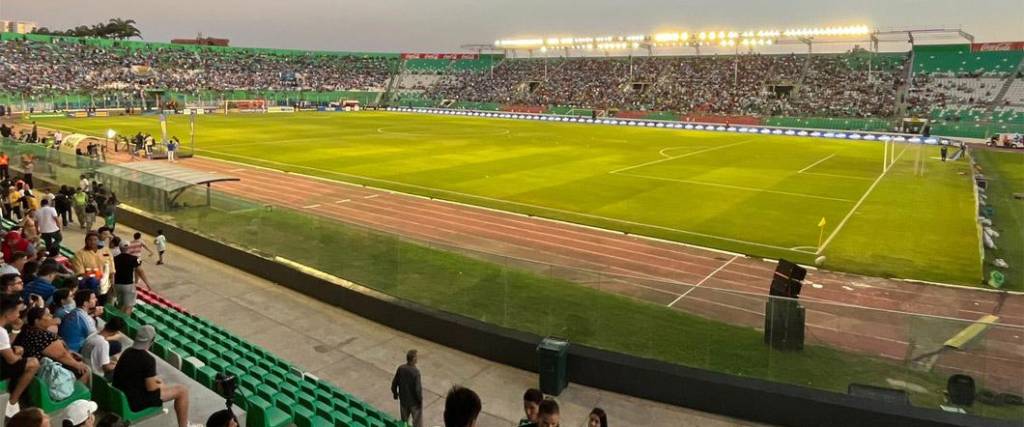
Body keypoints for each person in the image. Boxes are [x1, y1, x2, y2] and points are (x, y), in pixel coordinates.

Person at [113, 325, 199, 427]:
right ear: (152, 340)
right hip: (136, 401)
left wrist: (155, 381)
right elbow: (151, 388)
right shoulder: (148, 360)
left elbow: (135, 375)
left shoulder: (127, 352)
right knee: (182, 391)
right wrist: (160, 385)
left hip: (124, 393)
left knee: (159, 382)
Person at [12, 306, 90, 383]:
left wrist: (69, 352)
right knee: (86, 371)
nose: (51, 316)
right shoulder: (43, 336)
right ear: (37, 321)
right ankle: (78, 392)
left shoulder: (27, 330)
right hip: (47, 374)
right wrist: (77, 365)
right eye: (47, 315)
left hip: (36, 371)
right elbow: (61, 355)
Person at [2, 294, 40, 417]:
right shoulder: (1, 331)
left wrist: (15, 330)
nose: (19, 315)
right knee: (33, 363)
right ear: (7, 314)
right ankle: (12, 402)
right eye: (17, 312)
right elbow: (12, 360)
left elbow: (4, 346)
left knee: (19, 352)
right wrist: (18, 355)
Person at [72, 232, 115, 305]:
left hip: (104, 285)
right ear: (86, 241)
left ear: (99, 241)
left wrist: (112, 280)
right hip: (88, 287)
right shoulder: (79, 254)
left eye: (95, 239)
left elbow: (110, 266)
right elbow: (80, 273)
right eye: (90, 240)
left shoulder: (105, 251)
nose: (92, 242)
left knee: (102, 304)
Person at [391, 349, 423, 427]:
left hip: (403, 401)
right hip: (414, 403)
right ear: (413, 359)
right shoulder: (416, 372)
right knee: (417, 423)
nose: (417, 359)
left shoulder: (401, 368)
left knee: (404, 422)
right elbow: (417, 390)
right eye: (416, 357)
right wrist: (420, 401)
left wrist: (395, 394)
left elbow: (394, 383)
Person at [114, 241, 145, 316]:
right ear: (129, 248)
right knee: (128, 306)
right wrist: (147, 283)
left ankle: (117, 321)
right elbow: (140, 271)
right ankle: (123, 323)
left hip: (117, 284)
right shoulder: (134, 258)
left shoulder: (114, 258)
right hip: (128, 285)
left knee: (120, 304)